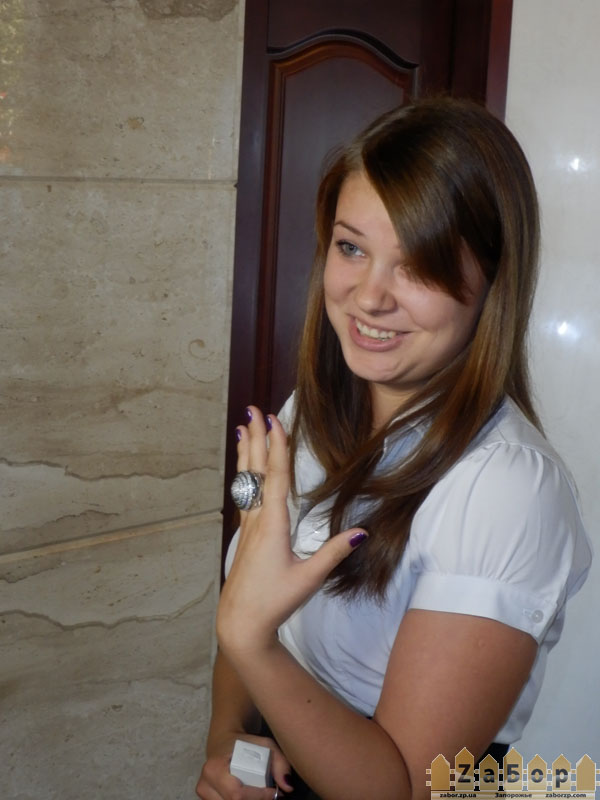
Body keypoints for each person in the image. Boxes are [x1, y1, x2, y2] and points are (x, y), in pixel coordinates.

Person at [196, 97, 592, 800]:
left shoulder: (505, 488)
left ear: (491, 283)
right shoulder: (312, 411)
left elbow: (406, 788)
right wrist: (228, 732)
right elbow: (251, 591)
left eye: (419, 265)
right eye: (352, 248)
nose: (369, 297)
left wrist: (249, 638)